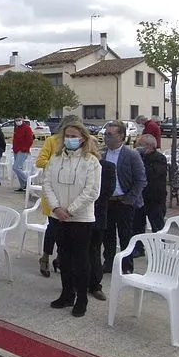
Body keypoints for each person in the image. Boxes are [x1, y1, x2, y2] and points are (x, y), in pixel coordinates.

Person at [42, 122, 101, 317]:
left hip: (81, 218)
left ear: (82, 138)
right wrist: (56, 208)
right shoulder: (55, 159)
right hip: (58, 216)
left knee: (81, 260)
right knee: (64, 258)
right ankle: (67, 294)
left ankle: (82, 298)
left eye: (73, 136)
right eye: (67, 136)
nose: (69, 139)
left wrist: (71, 210)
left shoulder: (91, 161)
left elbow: (92, 191)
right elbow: (47, 184)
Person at [33, 115, 80, 278]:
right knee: (53, 227)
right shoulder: (52, 141)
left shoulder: (82, 145)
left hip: (72, 194)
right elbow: (40, 161)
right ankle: (45, 257)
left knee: (67, 230)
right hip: (54, 192)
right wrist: (58, 166)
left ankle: (61, 258)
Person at [101, 121, 147, 275]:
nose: (107, 137)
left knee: (125, 235)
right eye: (106, 134)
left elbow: (141, 180)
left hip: (124, 201)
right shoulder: (102, 154)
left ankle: (126, 265)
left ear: (121, 136)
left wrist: (130, 199)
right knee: (107, 235)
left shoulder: (131, 155)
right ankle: (109, 262)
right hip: (107, 201)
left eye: (110, 134)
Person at [88, 150, 117, 301]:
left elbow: (106, 192)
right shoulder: (78, 164)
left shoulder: (107, 167)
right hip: (77, 215)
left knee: (94, 251)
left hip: (97, 214)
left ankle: (95, 285)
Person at [133, 134, 168, 245]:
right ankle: (138, 248)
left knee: (157, 225)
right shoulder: (138, 157)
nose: (136, 146)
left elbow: (153, 174)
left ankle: (160, 247)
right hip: (140, 196)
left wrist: (140, 162)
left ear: (148, 146)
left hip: (154, 197)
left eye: (139, 144)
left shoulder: (159, 158)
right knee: (137, 225)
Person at [12, 117, 35, 192]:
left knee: (16, 168)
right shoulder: (17, 128)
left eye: (19, 120)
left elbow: (30, 140)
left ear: (22, 120)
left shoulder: (27, 128)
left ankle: (28, 182)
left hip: (23, 150)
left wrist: (25, 148)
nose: (17, 121)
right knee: (19, 168)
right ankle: (23, 186)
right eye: (16, 120)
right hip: (16, 150)